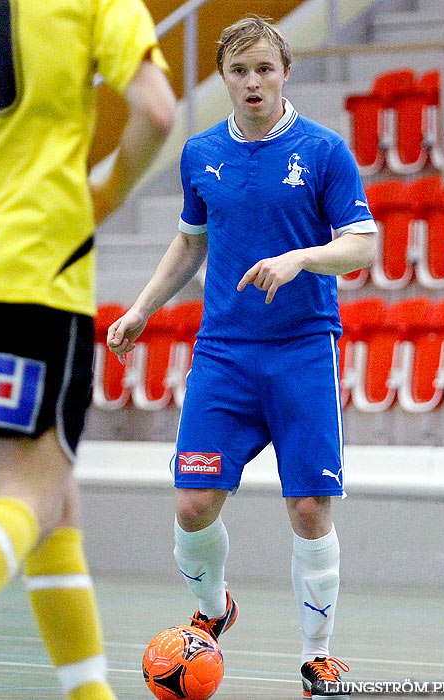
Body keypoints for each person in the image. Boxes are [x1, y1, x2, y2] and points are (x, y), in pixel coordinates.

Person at [0, 1, 175, 698]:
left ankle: (91, 694)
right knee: (28, 488)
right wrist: (109, 192)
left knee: (55, 499)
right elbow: (156, 110)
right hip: (37, 267)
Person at [107, 15, 376, 700]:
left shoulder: (323, 151)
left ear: (285, 71)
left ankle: (318, 656)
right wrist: (142, 308)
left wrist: (299, 258)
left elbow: (363, 245)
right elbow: (190, 244)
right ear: (223, 77)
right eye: (239, 70)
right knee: (194, 504)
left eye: (264, 68)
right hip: (224, 353)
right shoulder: (200, 153)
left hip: (302, 352)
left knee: (311, 508)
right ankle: (215, 608)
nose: (253, 82)